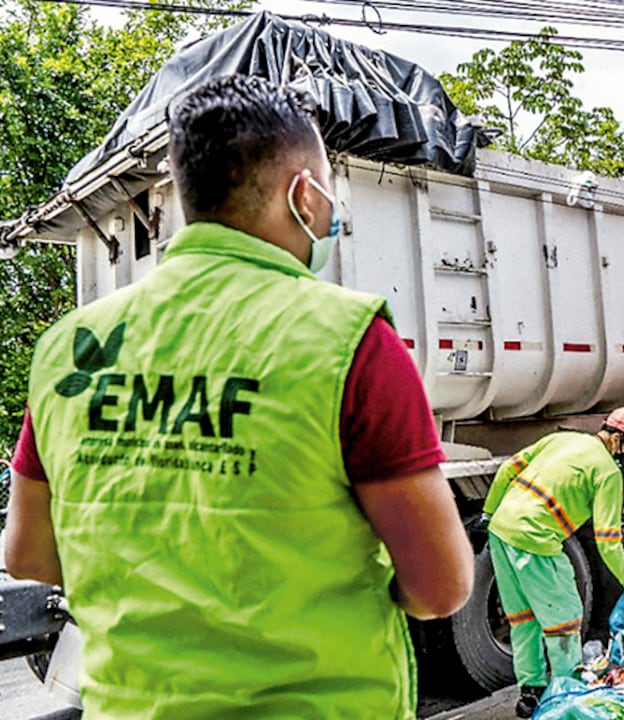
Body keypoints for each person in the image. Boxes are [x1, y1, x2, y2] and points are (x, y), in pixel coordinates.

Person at [3, 75, 473, 719]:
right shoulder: (349, 339)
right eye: (329, 196)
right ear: (304, 196)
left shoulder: (68, 347)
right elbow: (440, 586)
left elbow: (27, 553)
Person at [476, 408, 624, 717]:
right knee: (564, 623)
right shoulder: (608, 473)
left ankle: (530, 694)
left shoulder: (561, 440)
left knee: (522, 619)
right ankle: (566, 700)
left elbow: (508, 468)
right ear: (615, 438)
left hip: (501, 532)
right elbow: (609, 545)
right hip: (536, 541)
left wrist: (488, 514)